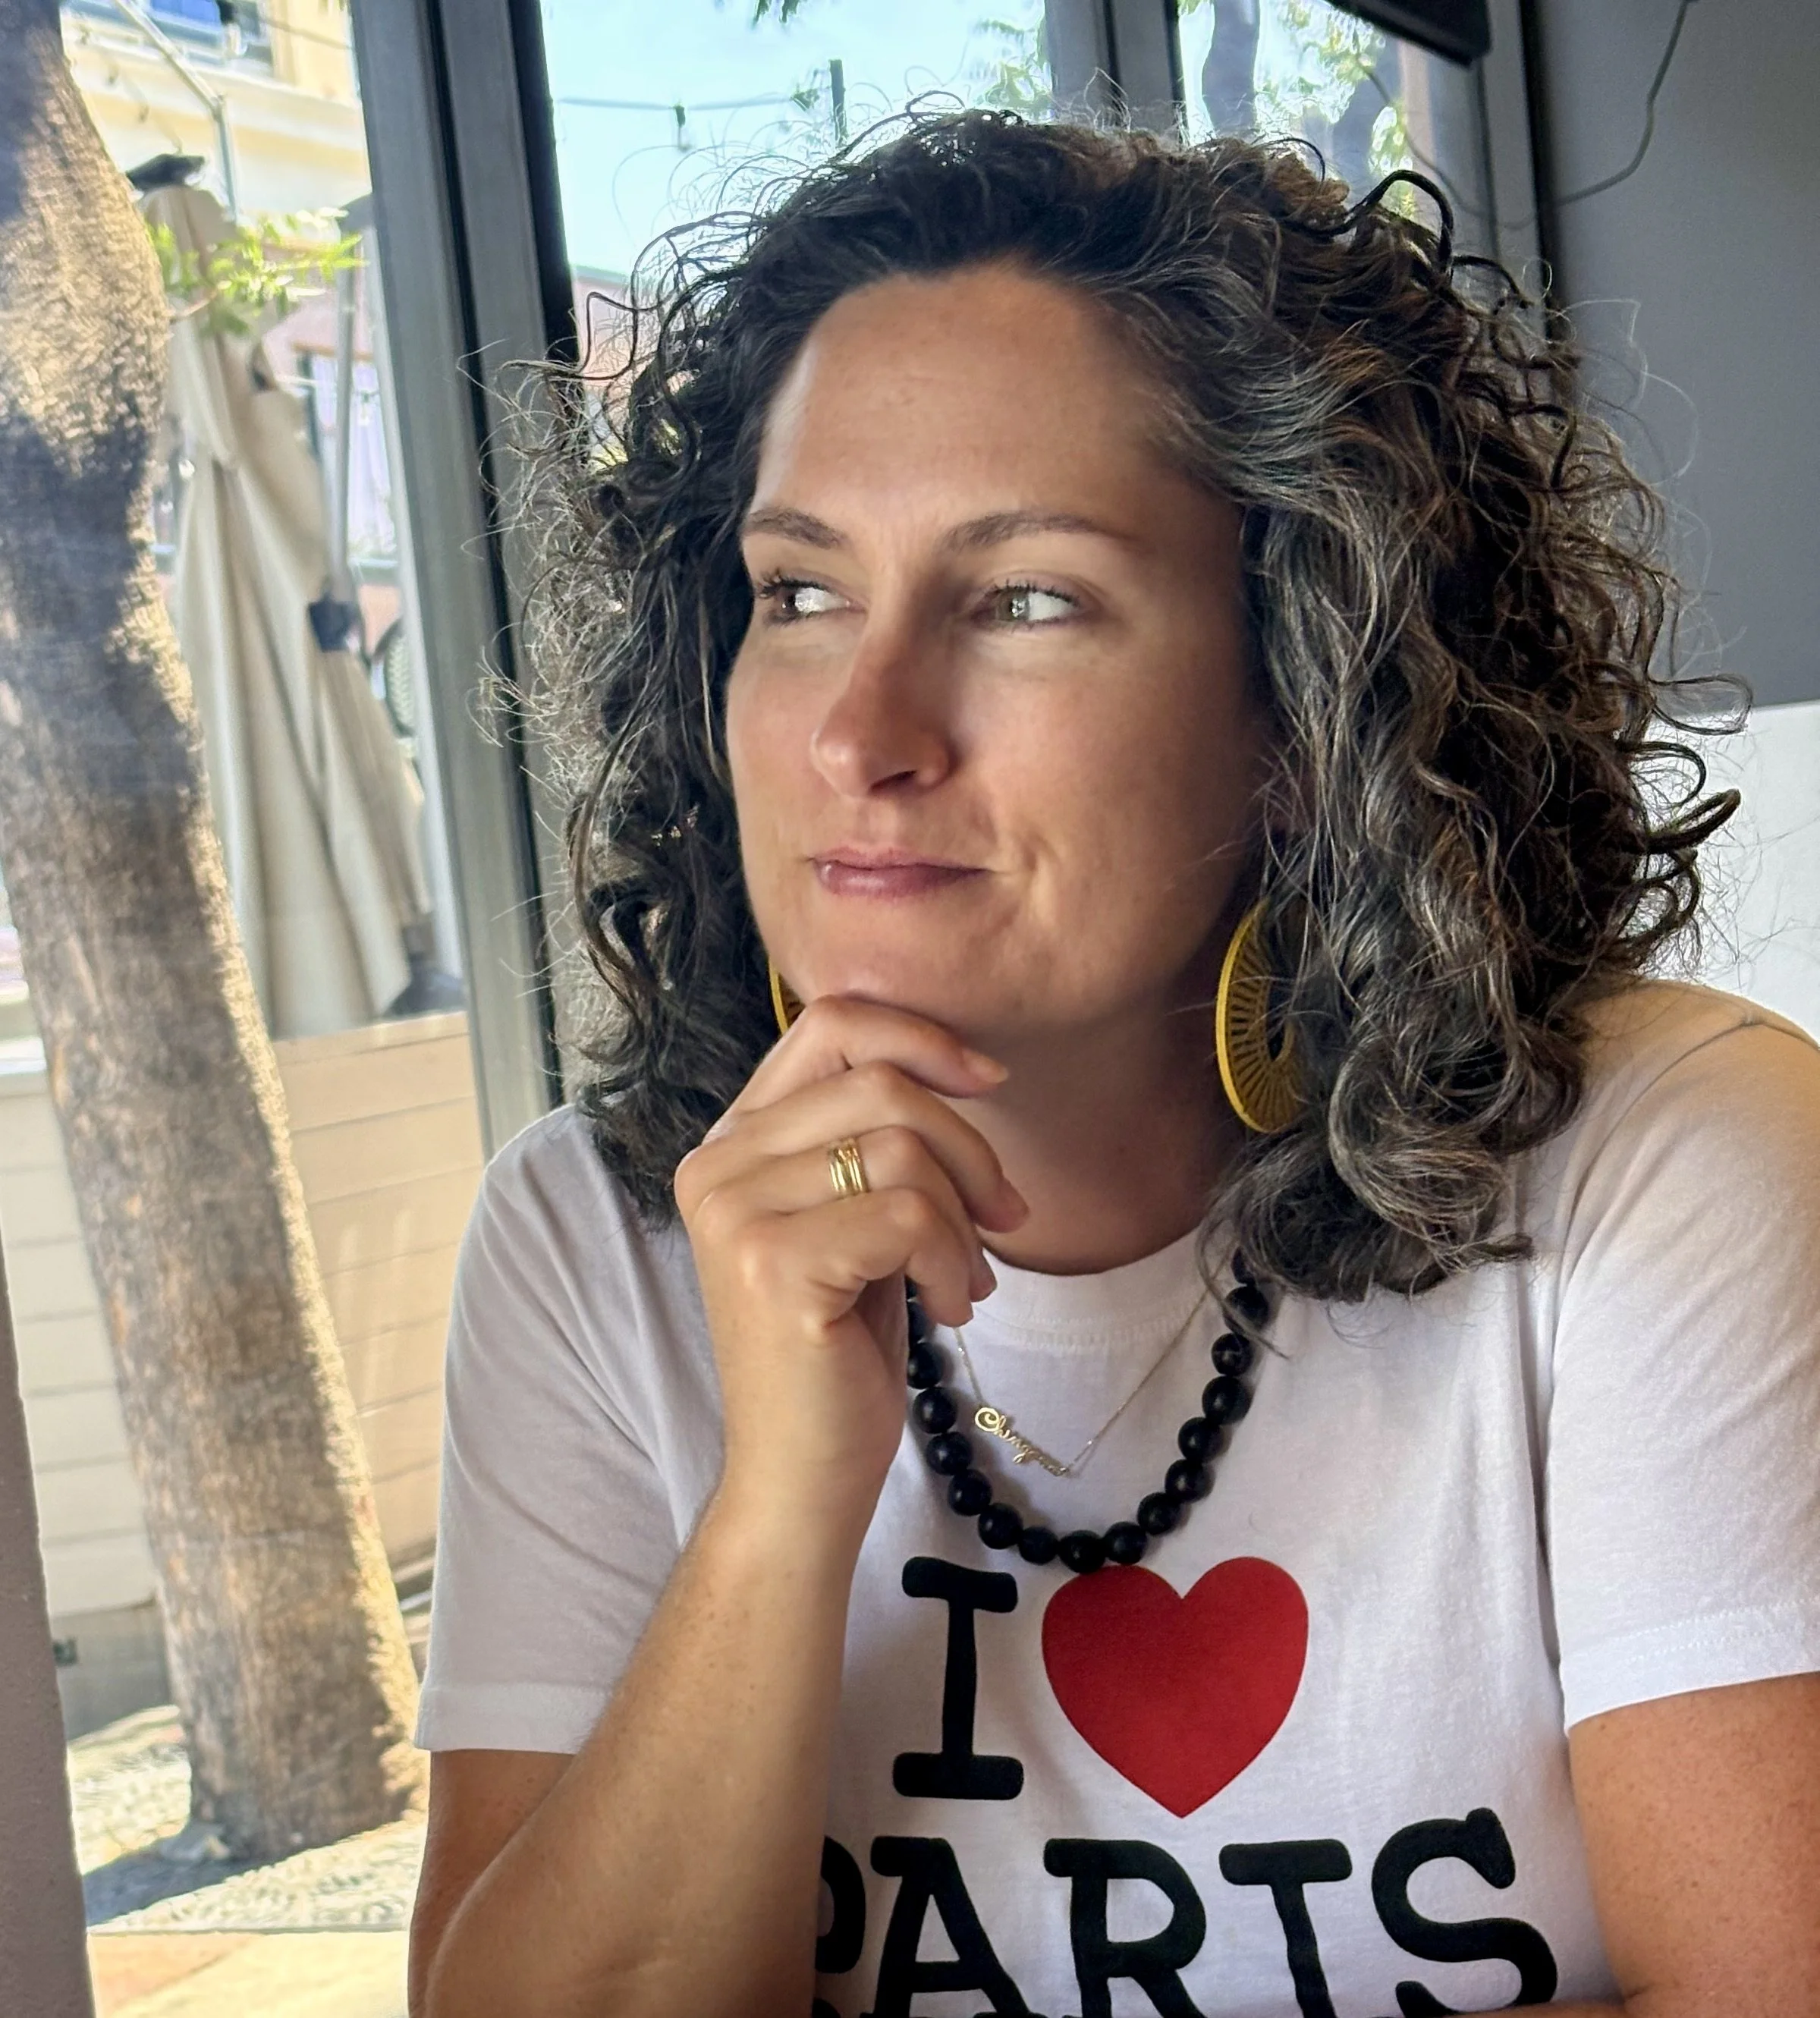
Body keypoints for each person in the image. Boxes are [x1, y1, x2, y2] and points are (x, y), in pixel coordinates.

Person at [407, 115, 1820, 2017]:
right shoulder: (594, 1232)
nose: (861, 732)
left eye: (1026, 599)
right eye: (800, 591)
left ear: (1306, 704)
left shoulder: (1657, 1162)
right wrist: (776, 1505)